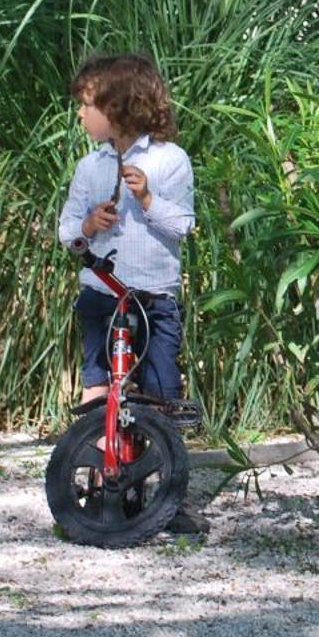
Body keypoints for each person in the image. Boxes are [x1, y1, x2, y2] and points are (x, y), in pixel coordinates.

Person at [55, 52, 204, 534]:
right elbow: (67, 233)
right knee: (98, 386)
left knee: (160, 391)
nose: (80, 114)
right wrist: (86, 226)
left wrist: (147, 200)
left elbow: (183, 226)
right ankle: (101, 487)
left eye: (87, 104)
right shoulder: (89, 167)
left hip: (154, 295)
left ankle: (168, 496)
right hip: (102, 292)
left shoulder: (169, 160)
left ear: (118, 106)